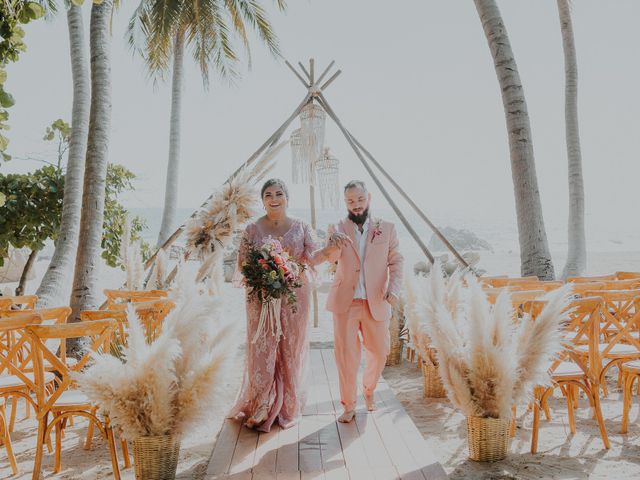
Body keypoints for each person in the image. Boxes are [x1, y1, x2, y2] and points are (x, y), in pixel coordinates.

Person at [228, 178, 347, 432]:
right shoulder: (251, 229)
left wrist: (329, 249)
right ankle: (261, 404)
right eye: (268, 194)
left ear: (287, 198)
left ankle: (287, 405)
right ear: (262, 200)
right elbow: (242, 265)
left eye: (279, 193)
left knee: (290, 348)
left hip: (295, 297)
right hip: (262, 299)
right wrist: (264, 272)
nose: (274, 198)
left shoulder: (301, 226)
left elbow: (313, 258)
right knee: (262, 347)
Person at [325, 180, 404, 423]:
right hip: (345, 302)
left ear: (368, 197)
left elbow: (396, 261)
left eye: (360, 200)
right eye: (350, 201)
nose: (356, 206)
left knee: (380, 353)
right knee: (347, 357)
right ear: (345, 202)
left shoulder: (387, 228)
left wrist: (393, 290)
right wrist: (332, 243)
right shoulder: (336, 228)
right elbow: (330, 260)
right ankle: (348, 405)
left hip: (376, 301)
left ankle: (368, 389)